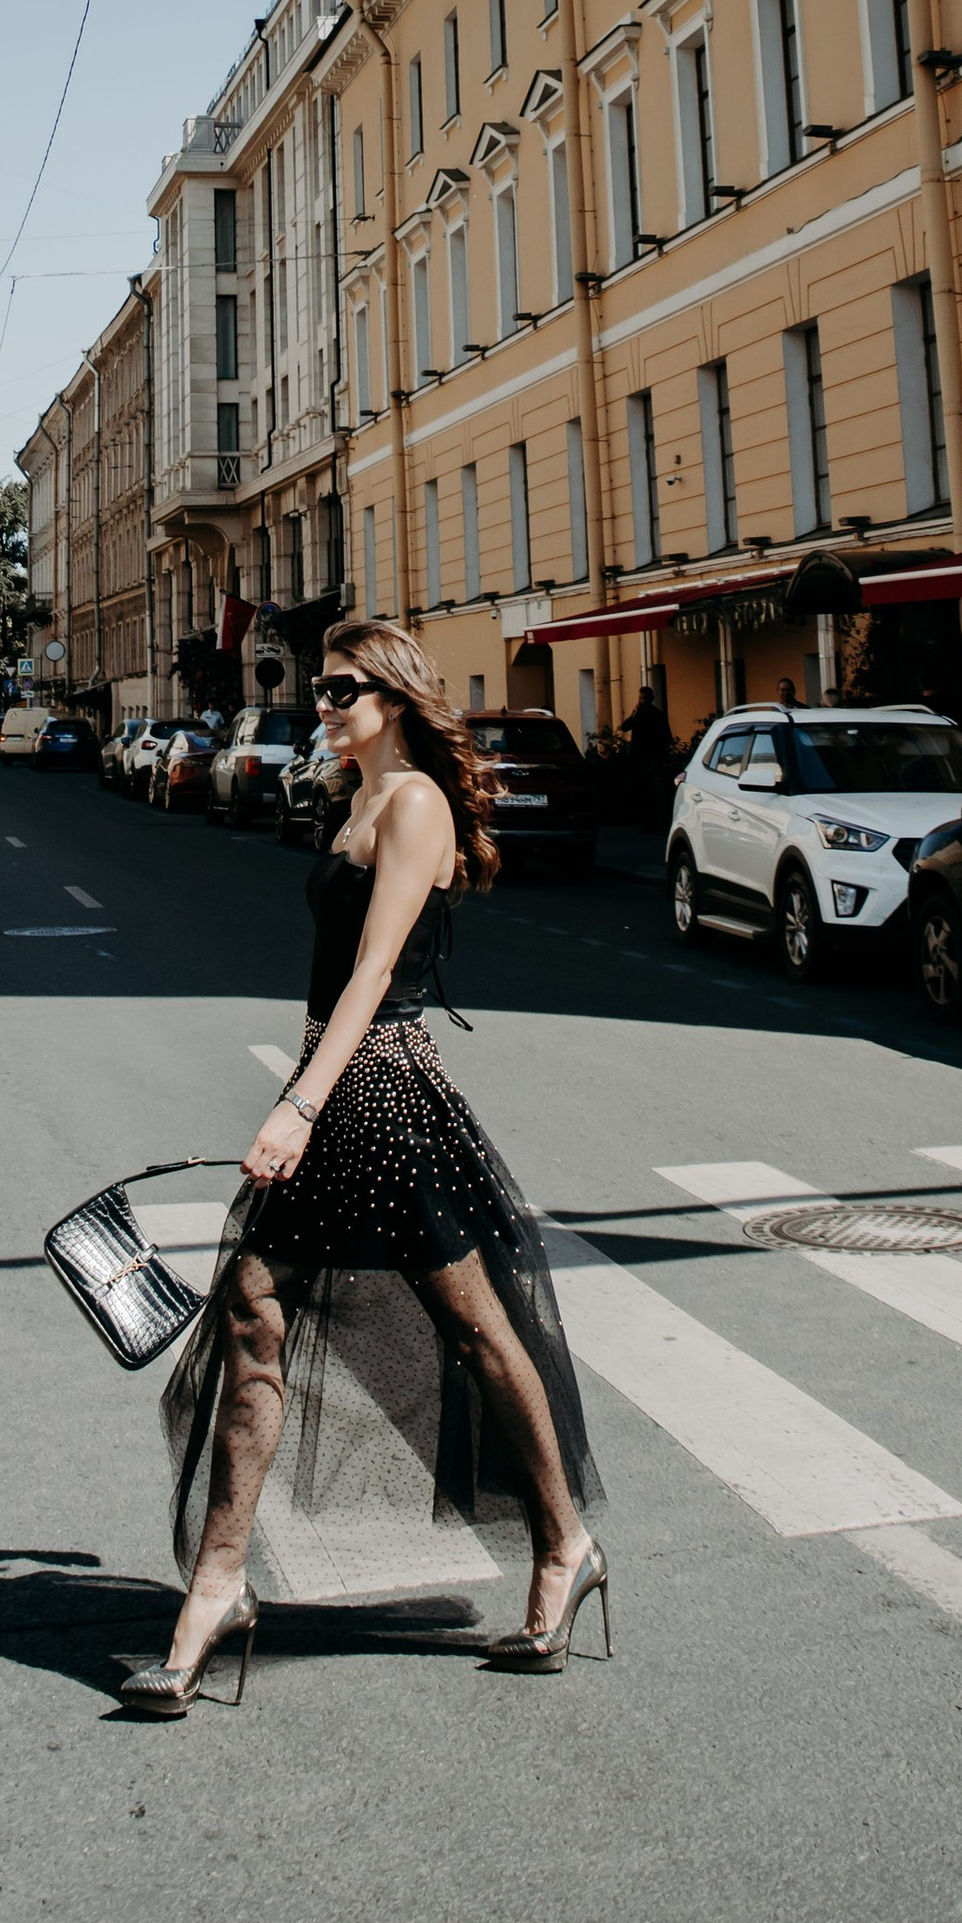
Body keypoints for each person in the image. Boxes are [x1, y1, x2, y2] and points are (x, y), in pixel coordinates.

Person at [122, 617, 607, 1717]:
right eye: (322, 687)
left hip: (383, 1096)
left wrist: (299, 1101)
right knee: (252, 1315)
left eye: (342, 688)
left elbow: (380, 969)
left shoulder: (416, 803)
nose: (325, 703)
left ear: (392, 695)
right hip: (335, 1083)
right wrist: (301, 1088)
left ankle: (563, 1543)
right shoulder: (353, 802)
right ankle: (217, 1584)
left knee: (478, 1329)